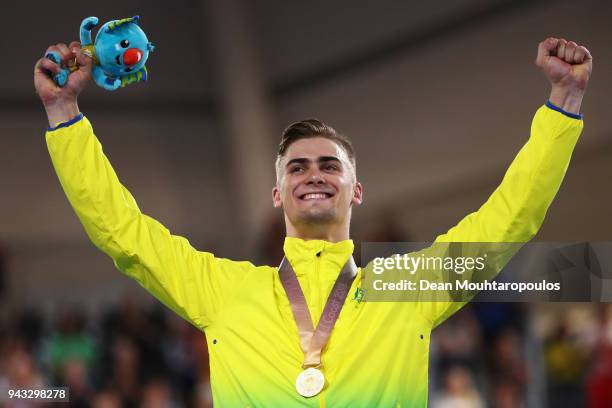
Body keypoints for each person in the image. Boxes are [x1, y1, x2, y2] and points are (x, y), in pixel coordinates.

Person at [34, 37, 592, 407]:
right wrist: (64, 117)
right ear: (277, 194)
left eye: (331, 165)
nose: (314, 174)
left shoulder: (408, 289)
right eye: (297, 168)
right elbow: (123, 233)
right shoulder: (222, 292)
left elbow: (507, 221)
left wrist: (563, 104)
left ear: (356, 189)